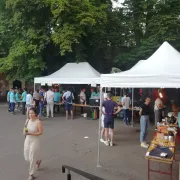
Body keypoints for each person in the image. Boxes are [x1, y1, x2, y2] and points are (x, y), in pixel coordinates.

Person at [23, 107, 43, 180]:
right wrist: (25, 132)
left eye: (32, 113)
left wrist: (30, 133)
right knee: (27, 156)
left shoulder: (38, 122)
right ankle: (38, 160)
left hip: (35, 140)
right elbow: (25, 130)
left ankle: (31, 174)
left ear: (36, 114)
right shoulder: (27, 121)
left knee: (32, 156)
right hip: (27, 140)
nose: (30, 114)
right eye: (29, 113)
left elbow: (40, 132)